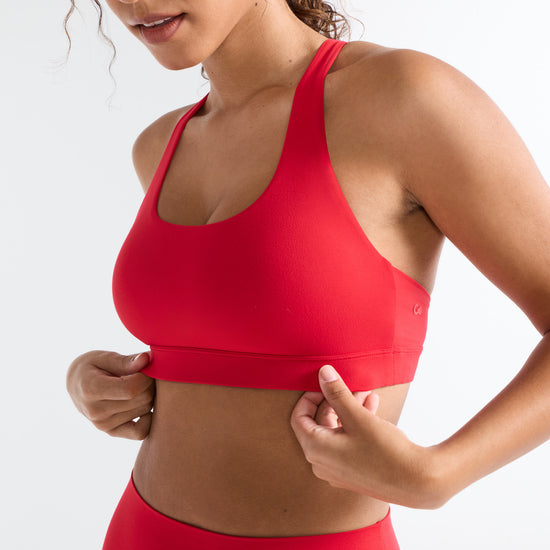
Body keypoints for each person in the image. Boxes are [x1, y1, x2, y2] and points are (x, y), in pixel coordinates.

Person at [64, 0, 550, 548]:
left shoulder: (403, 97)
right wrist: (94, 381)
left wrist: (441, 474)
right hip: (140, 532)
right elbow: (220, 337)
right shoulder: (159, 146)